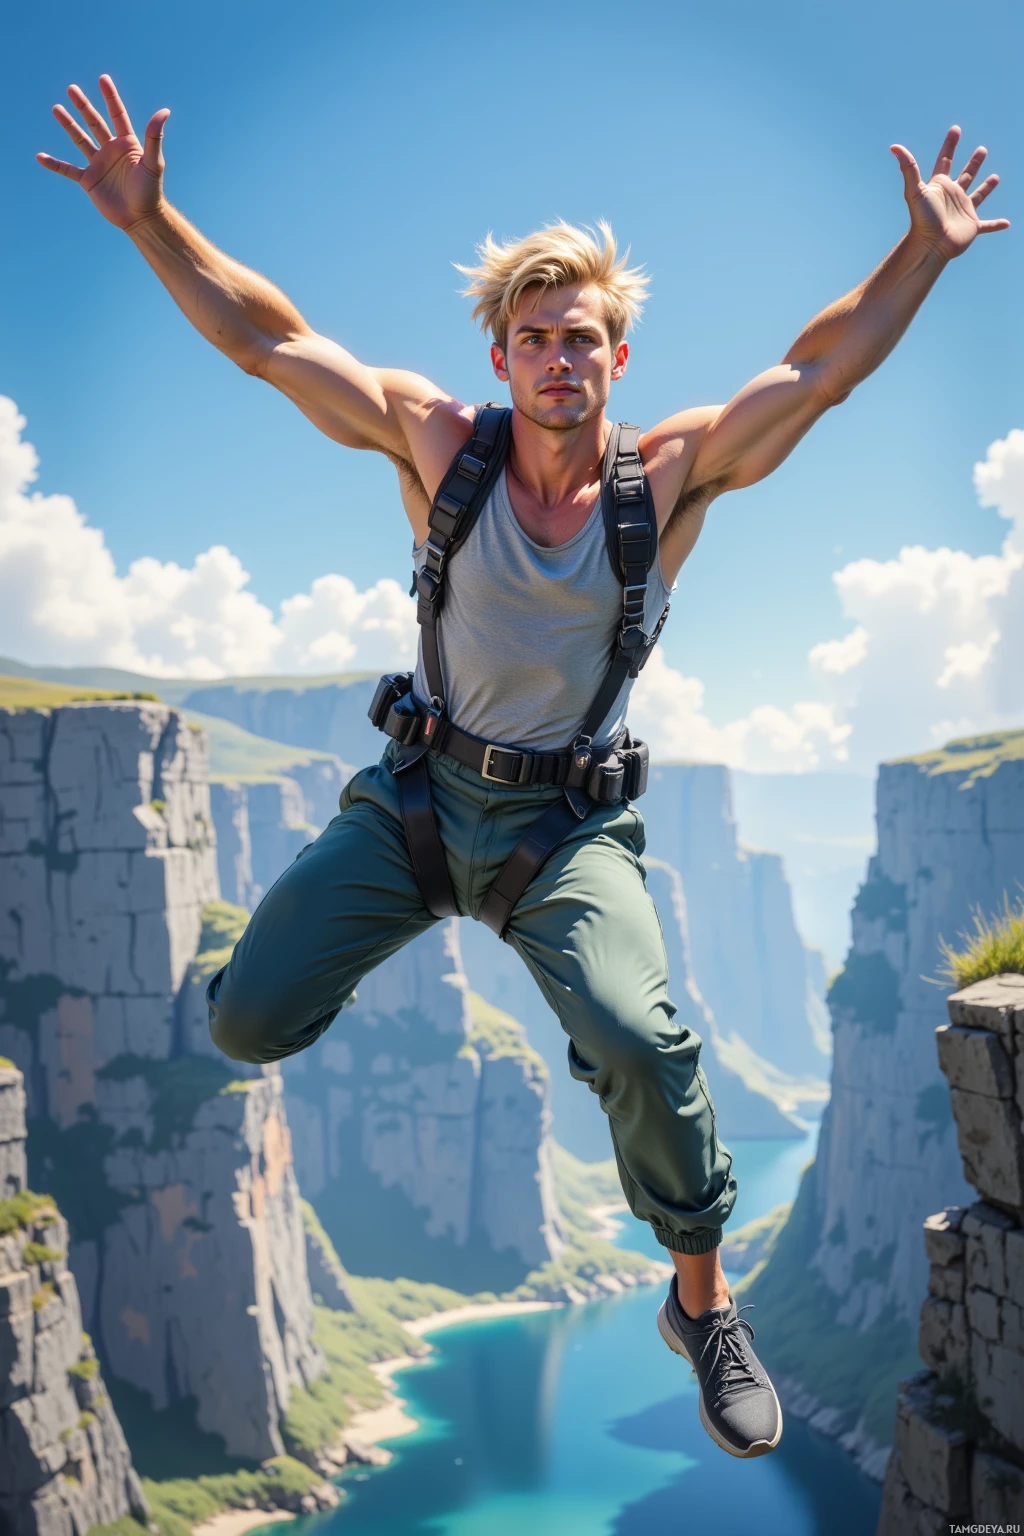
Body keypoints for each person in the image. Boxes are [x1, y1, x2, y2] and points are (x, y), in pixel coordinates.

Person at [39, 74, 1008, 1461]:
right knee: (243, 1023)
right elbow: (270, 341)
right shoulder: (440, 448)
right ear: (502, 358)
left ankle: (699, 1303)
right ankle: (405, 988)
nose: (563, 359)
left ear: (619, 358)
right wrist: (150, 223)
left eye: (587, 341)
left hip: (567, 830)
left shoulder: (665, 482)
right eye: (539, 338)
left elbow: (818, 372)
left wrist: (921, 250)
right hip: (418, 802)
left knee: (639, 1042)